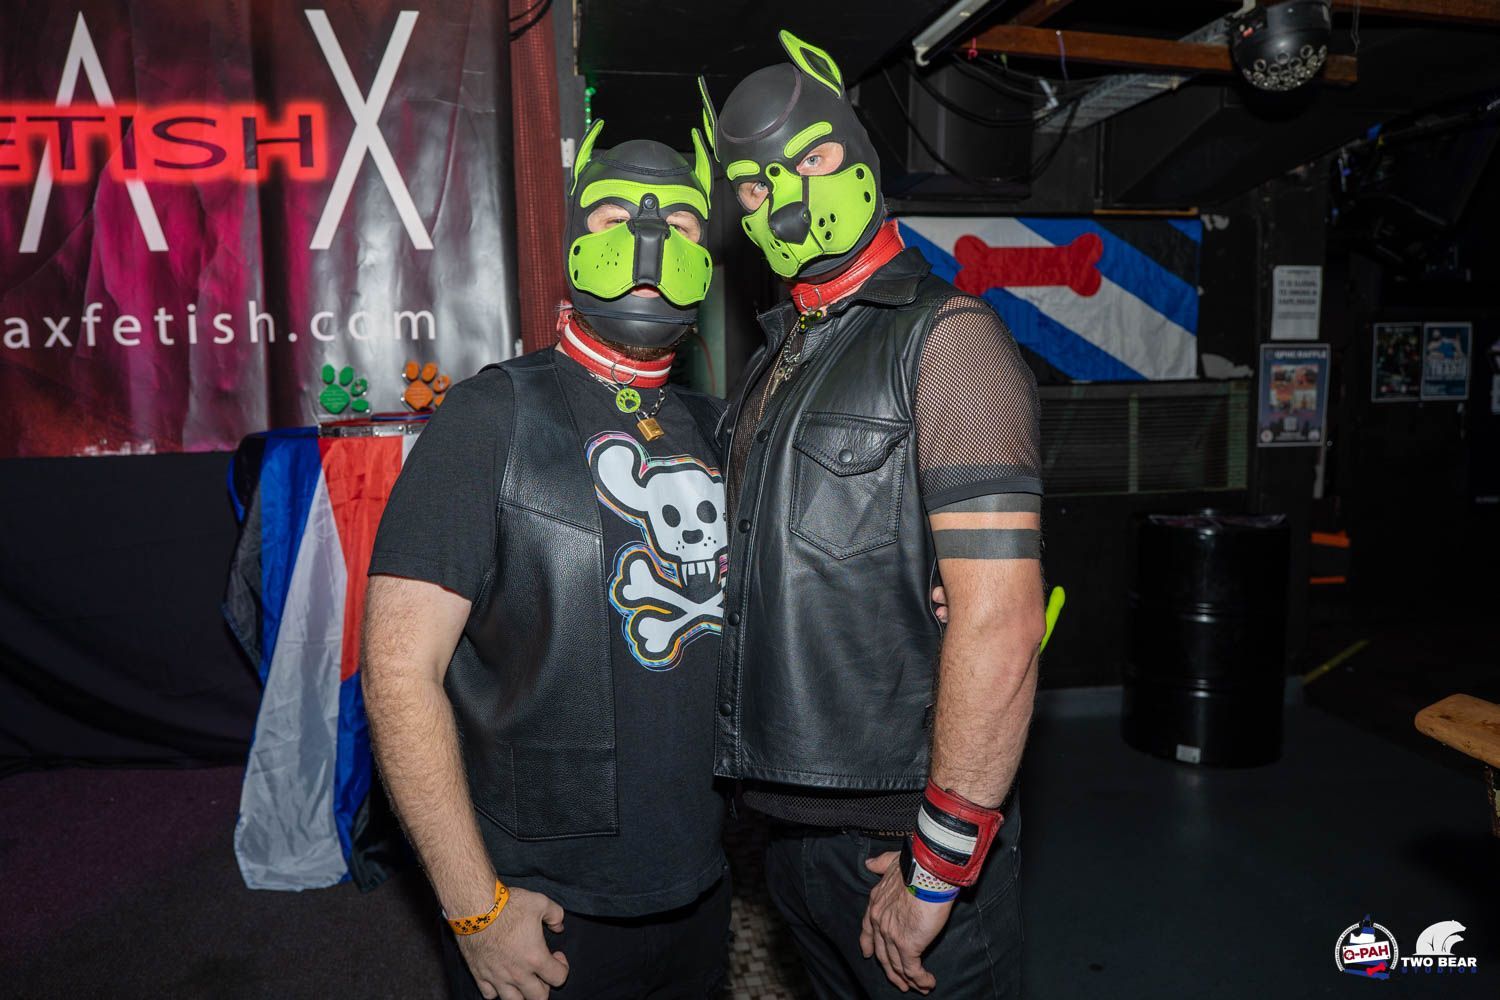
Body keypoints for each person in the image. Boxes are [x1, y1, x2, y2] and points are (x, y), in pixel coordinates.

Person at [700, 31, 1046, 998]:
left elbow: (1002, 621)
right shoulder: (778, 360)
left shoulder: (949, 340)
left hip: (902, 836)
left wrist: (939, 859)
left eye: (811, 160)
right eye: (755, 187)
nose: (785, 199)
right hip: (793, 833)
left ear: (857, 152)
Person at [361, 120, 731, 1000]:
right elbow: (397, 672)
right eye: (613, 218)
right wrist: (474, 908)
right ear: (573, 241)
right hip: (543, 906)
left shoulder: (723, 429)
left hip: (702, 883)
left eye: (679, 225)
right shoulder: (490, 418)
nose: (647, 244)